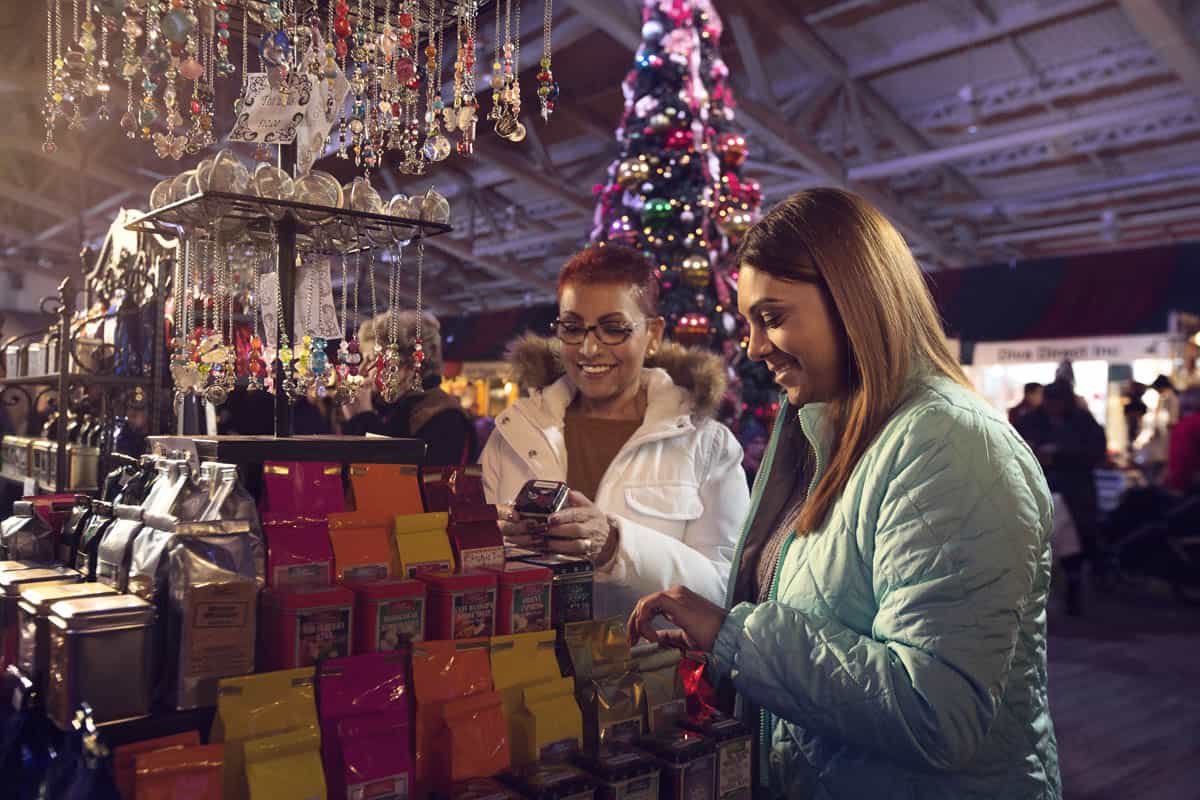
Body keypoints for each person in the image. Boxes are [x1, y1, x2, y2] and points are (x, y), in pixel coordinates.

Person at [627, 189, 1060, 799]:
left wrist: (737, 637)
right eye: (751, 321)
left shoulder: (951, 445)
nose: (753, 348)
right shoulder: (827, 428)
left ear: (856, 301)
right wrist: (723, 646)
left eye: (773, 317)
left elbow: (936, 712)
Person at [482, 244, 749, 620]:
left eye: (613, 329)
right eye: (572, 328)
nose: (589, 349)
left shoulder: (706, 444)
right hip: (526, 668)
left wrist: (615, 546)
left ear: (653, 335)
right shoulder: (513, 434)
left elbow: (725, 591)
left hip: (653, 670)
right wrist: (489, 542)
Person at [1016, 378, 1106, 616]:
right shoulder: (1030, 421)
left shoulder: (1083, 422)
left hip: (1075, 492)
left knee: (1074, 546)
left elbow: (1095, 451)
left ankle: (1074, 595)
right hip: (1039, 490)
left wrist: (1059, 454)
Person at [342, 311, 478, 466]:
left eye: (373, 360)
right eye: (364, 359)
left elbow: (395, 480)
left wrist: (363, 419)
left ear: (407, 365)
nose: (364, 370)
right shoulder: (392, 407)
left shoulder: (444, 415)